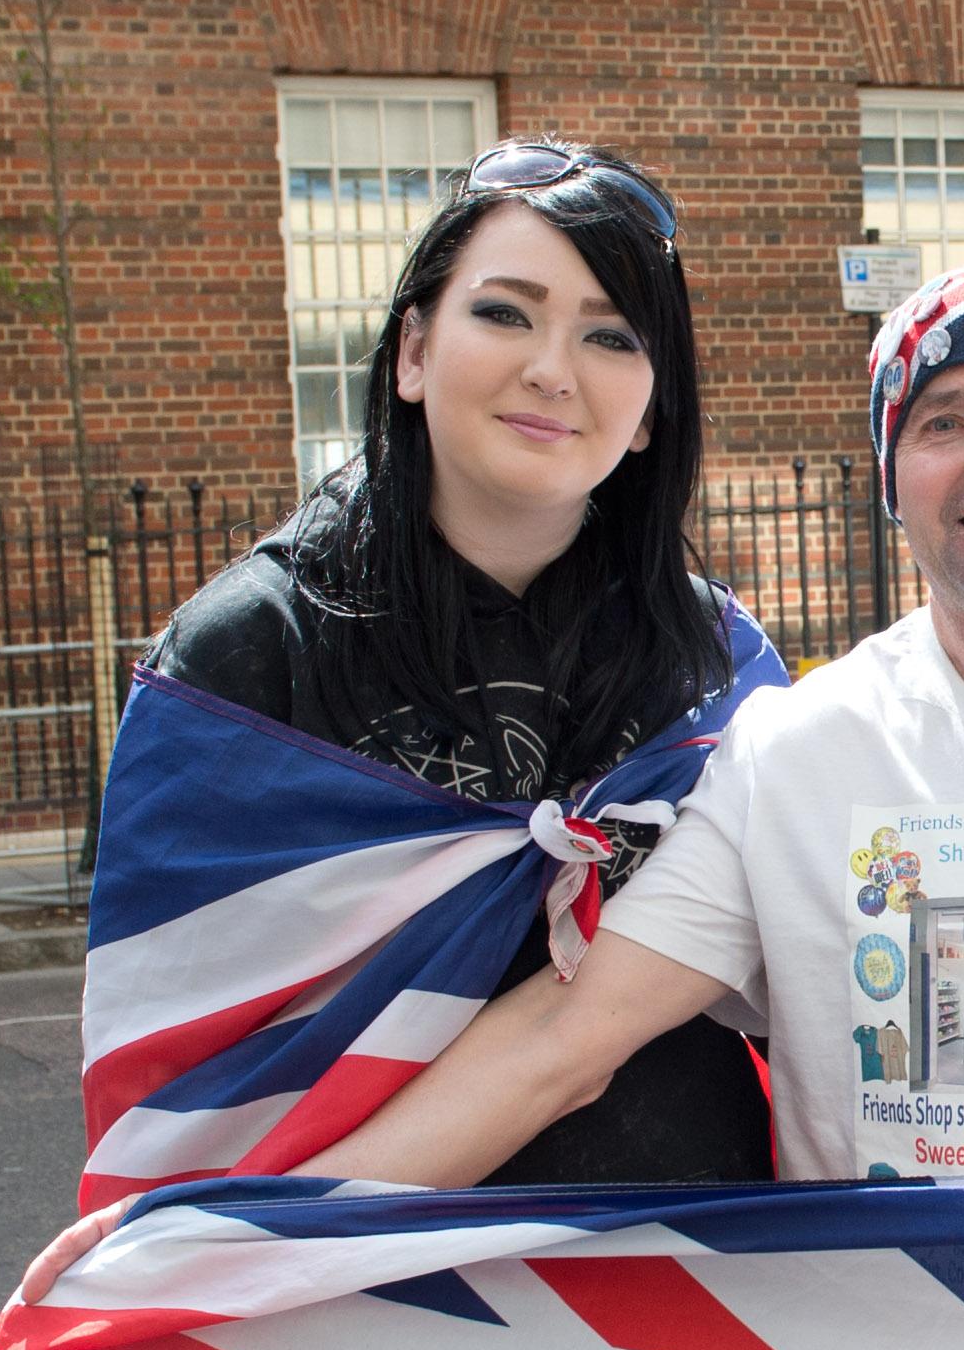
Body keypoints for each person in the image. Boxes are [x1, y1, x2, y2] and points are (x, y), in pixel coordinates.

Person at [133, 138, 776, 1185]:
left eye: (611, 336)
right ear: (411, 353)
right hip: (358, 1301)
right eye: (504, 312)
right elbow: (180, 1071)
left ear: (653, 408)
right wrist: (232, 1258)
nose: (550, 369)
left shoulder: (717, 672)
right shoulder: (245, 658)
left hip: (683, 1284)